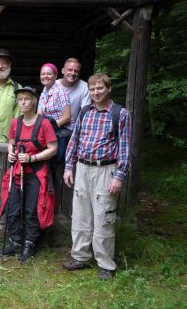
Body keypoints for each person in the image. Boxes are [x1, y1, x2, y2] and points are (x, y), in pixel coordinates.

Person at [62, 74, 131, 280]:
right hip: (83, 169)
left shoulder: (120, 114)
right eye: (92, 89)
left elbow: (125, 149)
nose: (96, 92)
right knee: (81, 216)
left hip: (105, 171)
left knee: (104, 217)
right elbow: (74, 142)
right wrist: (68, 167)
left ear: (108, 89)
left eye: (100, 88)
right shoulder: (85, 111)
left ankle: (105, 264)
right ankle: (80, 257)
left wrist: (119, 176)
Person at [0, 87, 58, 262]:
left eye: (27, 99)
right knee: (13, 207)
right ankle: (15, 242)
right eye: (20, 99)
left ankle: (30, 243)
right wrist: (11, 153)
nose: (22, 102)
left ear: (34, 101)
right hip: (17, 171)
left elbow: (53, 149)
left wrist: (32, 158)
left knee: (32, 209)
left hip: (36, 173)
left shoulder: (44, 123)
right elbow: (11, 142)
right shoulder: (16, 122)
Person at [55, 58, 91, 129]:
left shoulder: (84, 87)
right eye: (70, 70)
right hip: (50, 126)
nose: (73, 73)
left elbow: (85, 111)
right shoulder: (53, 85)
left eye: (76, 71)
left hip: (72, 128)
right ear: (63, 71)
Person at [38, 63, 72, 137]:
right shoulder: (43, 93)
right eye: (43, 74)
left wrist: (48, 128)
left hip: (62, 131)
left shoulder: (60, 92)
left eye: (49, 74)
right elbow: (39, 114)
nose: (45, 76)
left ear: (55, 76)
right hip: (49, 129)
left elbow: (67, 118)